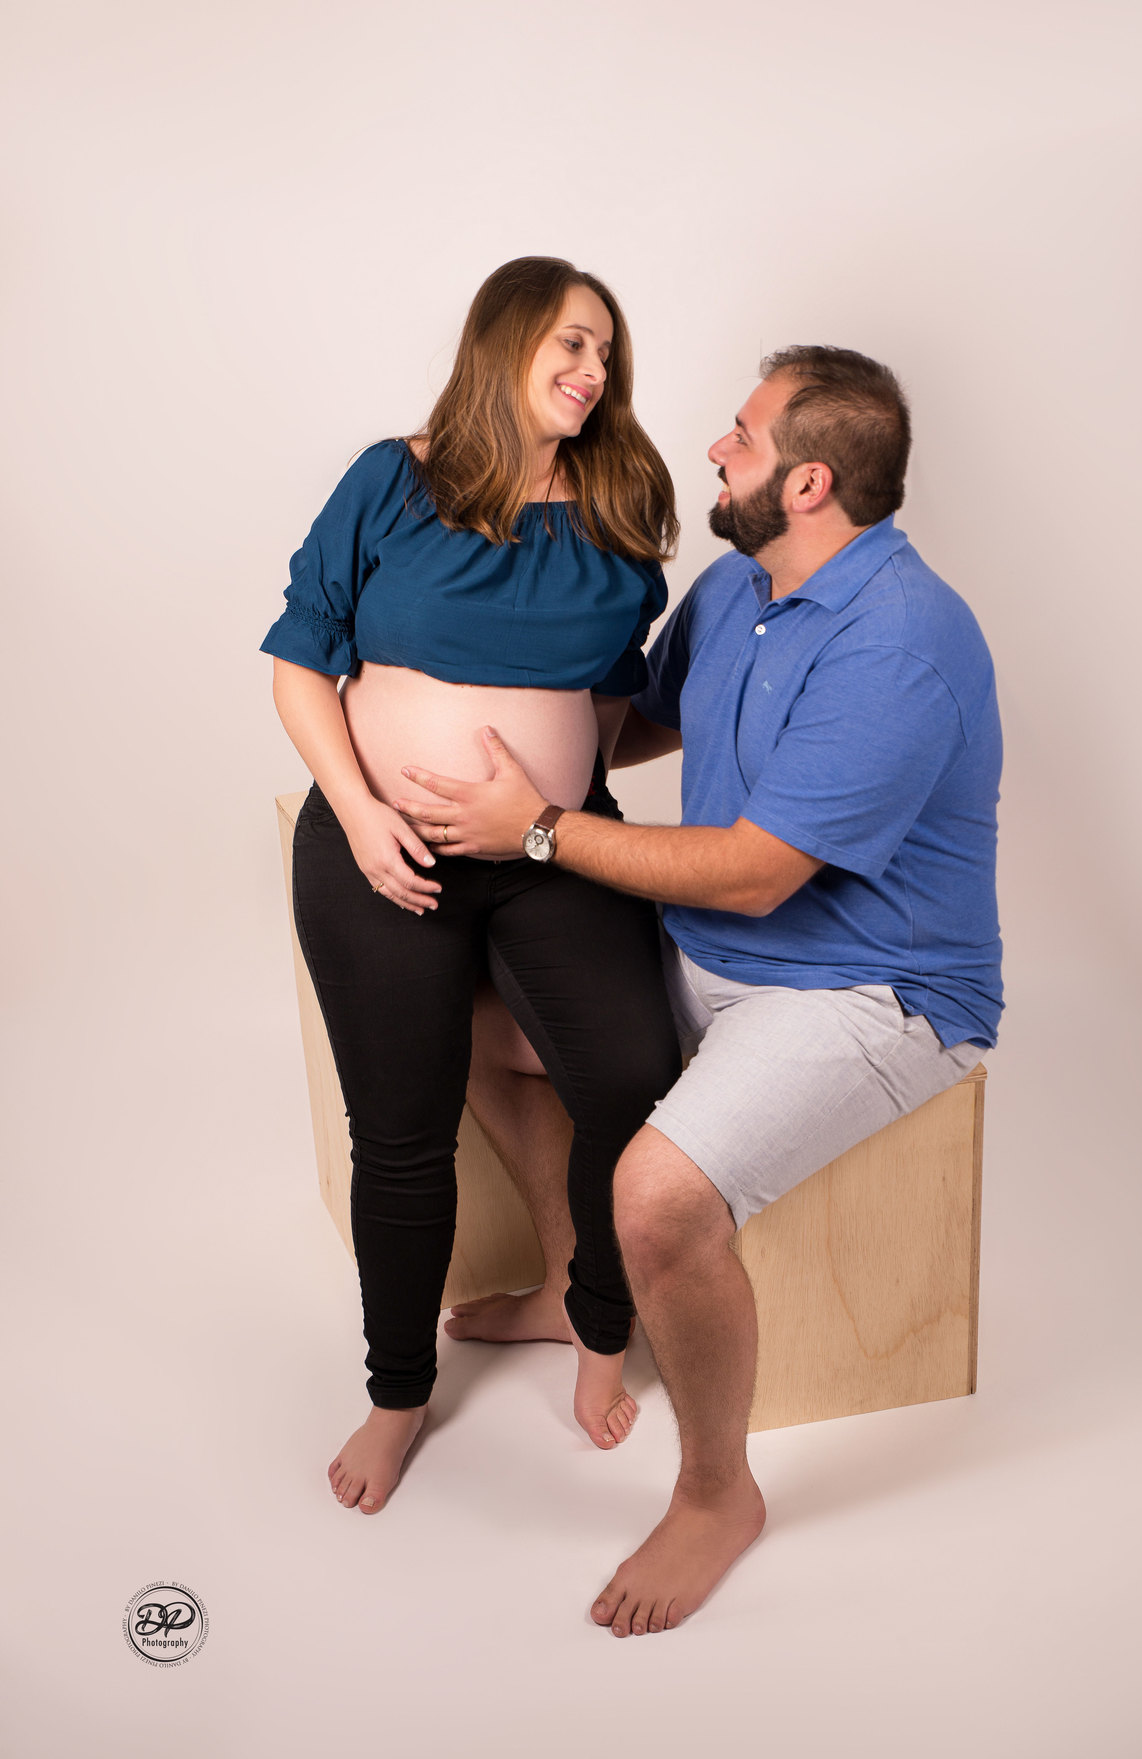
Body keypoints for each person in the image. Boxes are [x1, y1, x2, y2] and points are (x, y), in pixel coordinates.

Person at [396, 345, 1004, 1633]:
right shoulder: (739, 585)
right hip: (713, 946)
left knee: (658, 1201)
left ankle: (719, 1493)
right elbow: (640, 721)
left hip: (874, 990)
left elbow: (756, 876)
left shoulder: (903, 640)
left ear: (809, 484)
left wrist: (537, 830)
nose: (717, 449)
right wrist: (465, 691)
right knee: (475, 1017)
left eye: (744, 435)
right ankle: (574, 1286)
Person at [262, 257, 683, 1515]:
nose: (592, 370)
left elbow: (608, 700)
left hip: (551, 853)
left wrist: (545, 809)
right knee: (400, 1129)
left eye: (605, 351)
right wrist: (363, 810)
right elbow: (300, 658)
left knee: (632, 1079)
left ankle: (591, 1323)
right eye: (569, 343)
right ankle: (399, 1395)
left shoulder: (618, 504)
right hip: (384, 849)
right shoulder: (394, 478)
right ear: (502, 342)